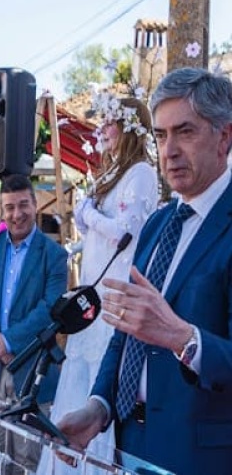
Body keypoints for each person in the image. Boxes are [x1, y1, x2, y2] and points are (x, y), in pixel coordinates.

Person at [57, 68, 232, 474]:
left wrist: (182, 338)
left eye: (185, 132)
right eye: (160, 135)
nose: (168, 150)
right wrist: (98, 407)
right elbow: (127, 332)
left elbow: (165, 330)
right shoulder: (157, 224)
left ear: (224, 137)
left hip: (200, 457)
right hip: (129, 445)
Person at [38, 95, 158, 475]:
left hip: (114, 295)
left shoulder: (141, 172)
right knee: (79, 375)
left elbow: (129, 232)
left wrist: (89, 212)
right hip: (92, 294)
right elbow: (94, 232)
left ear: (128, 127)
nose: (102, 129)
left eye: (109, 122)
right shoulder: (111, 173)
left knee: (100, 383)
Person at [0, 175, 68, 473]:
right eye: (9, 207)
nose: (16, 213)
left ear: (35, 205)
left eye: (23, 205)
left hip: (32, 369)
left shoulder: (54, 255)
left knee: (28, 460)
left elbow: (50, 308)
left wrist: (8, 341)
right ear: (2, 210)